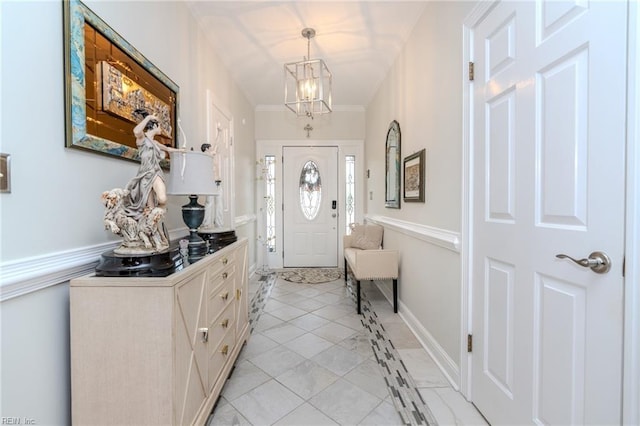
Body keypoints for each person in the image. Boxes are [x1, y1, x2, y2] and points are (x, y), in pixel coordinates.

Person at [125, 111, 181, 220]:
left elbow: (168, 149)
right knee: (149, 209)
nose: (161, 130)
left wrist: (182, 150)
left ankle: (158, 214)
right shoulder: (142, 139)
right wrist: (149, 117)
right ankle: (154, 229)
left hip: (155, 172)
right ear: (154, 126)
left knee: (162, 199)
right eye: (160, 126)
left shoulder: (155, 142)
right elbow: (136, 130)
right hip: (145, 175)